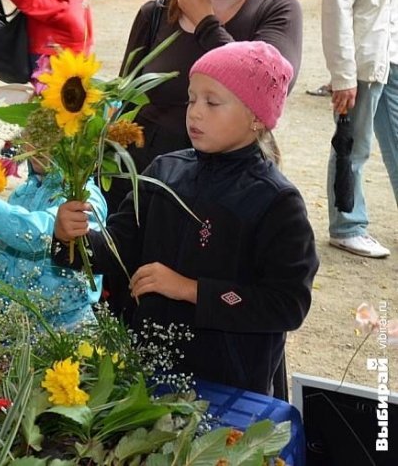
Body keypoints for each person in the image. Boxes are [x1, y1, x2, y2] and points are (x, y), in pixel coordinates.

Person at [54, 42, 319, 397]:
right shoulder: (165, 171)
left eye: (212, 102)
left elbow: (287, 304)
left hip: (228, 385)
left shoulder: (275, 200)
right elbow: (119, 248)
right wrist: (73, 238)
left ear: (257, 116)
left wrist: (191, 290)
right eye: (191, 100)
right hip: (147, 369)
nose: (195, 113)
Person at [106, 0, 303, 210]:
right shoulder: (154, 15)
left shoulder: (278, 11)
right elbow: (125, 105)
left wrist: (206, 23)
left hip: (226, 197)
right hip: (143, 190)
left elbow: (264, 86)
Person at [320, 0, 398, 259]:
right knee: (353, 147)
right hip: (363, 65)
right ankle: (347, 226)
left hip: (395, 60)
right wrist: (343, 74)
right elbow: (337, 12)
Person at [0, 146, 106, 330]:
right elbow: (5, 259)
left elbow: (41, 235)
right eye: (30, 134)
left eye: (47, 138)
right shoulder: (23, 194)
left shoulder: (84, 197)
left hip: (64, 333)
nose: (35, 146)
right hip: (15, 329)